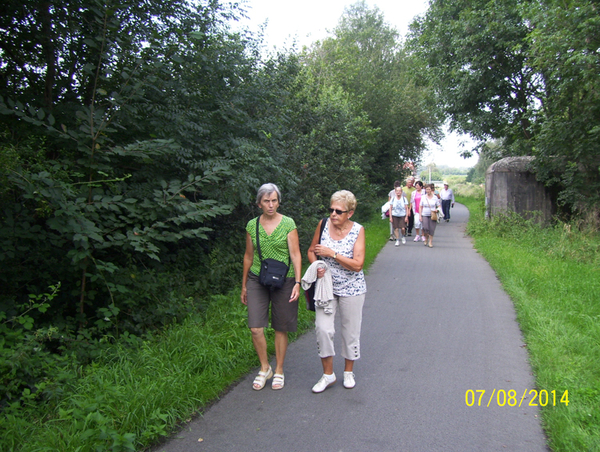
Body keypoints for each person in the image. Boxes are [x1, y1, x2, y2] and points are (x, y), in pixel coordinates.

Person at [241, 183, 302, 390]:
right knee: (256, 327)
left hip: (284, 279)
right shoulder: (252, 225)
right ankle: (265, 367)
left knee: (280, 326)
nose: (270, 205)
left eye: (274, 200)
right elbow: (249, 256)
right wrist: (243, 286)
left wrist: (298, 283)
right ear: (259, 203)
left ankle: (279, 370)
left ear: (279, 201)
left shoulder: (288, 223)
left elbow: (295, 254)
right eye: (266, 201)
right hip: (258, 278)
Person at [307, 190, 367, 393]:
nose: (333, 214)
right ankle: (328, 375)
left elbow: (358, 265)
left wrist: (332, 253)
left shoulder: (358, 230)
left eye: (338, 211)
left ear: (349, 213)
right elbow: (311, 251)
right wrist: (318, 266)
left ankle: (349, 372)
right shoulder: (323, 225)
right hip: (327, 288)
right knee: (323, 329)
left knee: (350, 331)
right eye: (331, 209)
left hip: (352, 287)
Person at [420, 183, 442, 248]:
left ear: (431, 190)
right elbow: (420, 206)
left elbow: (439, 206)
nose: (428, 191)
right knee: (426, 228)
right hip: (425, 214)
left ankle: (430, 242)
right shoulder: (423, 197)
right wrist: (420, 216)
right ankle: (426, 238)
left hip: (433, 215)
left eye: (429, 189)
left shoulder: (435, 197)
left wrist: (437, 210)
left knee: (432, 229)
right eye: (427, 189)